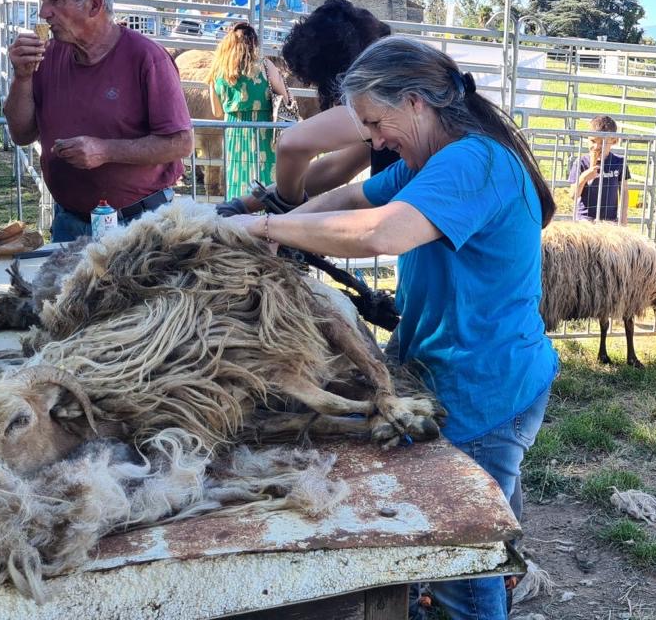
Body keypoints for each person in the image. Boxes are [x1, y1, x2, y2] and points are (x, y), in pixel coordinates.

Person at [228, 36, 557, 620]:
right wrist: (281, 226)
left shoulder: (473, 161)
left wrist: (263, 230)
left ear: (415, 103)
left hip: (483, 381)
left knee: (461, 549)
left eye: (377, 124)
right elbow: (353, 196)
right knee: (462, 529)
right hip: (450, 367)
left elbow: (383, 231)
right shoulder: (427, 161)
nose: (375, 142)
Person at [2, 0, 193, 242]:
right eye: (43, 0)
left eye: (55, 0)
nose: (44, 13)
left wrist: (104, 151)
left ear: (93, 4)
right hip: (69, 222)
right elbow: (21, 134)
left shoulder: (146, 58)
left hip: (138, 224)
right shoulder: (48, 55)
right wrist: (22, 76)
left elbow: (181, 143)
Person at [215, 0, 399, 216]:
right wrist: (246, 204)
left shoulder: (384, 97)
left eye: (321, 83)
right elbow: (338, 167)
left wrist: (285, 208)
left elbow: (292, 144)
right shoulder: (389, 107)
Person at [207, 22, 289, 198]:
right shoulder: (265, 65)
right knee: (264, 175)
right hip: (263, 130)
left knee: (237, 175)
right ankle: (266, 211)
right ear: (255, 43)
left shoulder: (217, 70)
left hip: (233, 131)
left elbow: (217, 112)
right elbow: (285, 98)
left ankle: (239, 210)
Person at [567, 115, 631, 224]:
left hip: (610, 221)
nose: (597, 146)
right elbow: (573, 195)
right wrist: (584, 177)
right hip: (585, 220)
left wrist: (623, 217)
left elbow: (624, 191)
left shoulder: (619, 162)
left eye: (602, 142)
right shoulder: (581, 163)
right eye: (593, 141)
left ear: (614, 141)